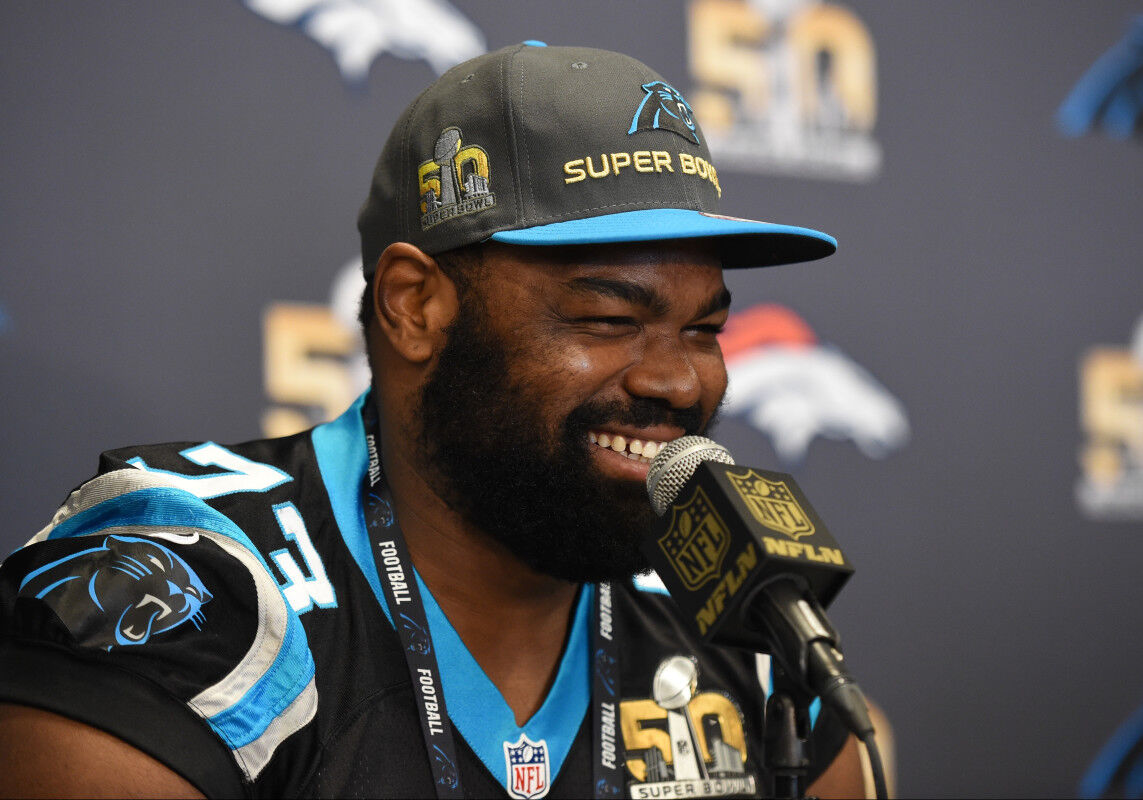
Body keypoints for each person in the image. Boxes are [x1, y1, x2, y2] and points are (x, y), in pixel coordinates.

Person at [0, 42, 887, 798]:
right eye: (609, 320)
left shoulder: (735, 615)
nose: (677, 380)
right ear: (414, 307)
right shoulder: (201, 586)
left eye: (703, 328)